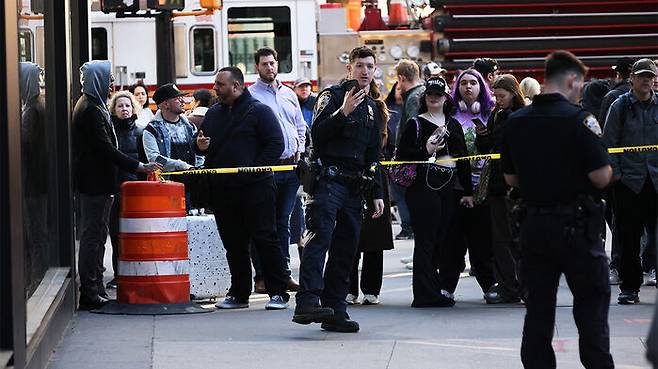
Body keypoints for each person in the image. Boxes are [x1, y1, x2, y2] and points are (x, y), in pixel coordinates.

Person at [501, 50, 614, 369]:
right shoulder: (582, 120)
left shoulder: (517, 122)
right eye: (580, 84)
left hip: (534, 226)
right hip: (578, 227)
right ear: (571, 80)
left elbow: (510, 177)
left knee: (538, 311)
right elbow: (601, 175)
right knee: (591, 309)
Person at [292, 46, 385, 333]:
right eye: (360, 65)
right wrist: (343, 112)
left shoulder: (372, 108)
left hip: (355, 187)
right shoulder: (331, 97)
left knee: (346, 249)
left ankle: (335, 309)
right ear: (350, 68)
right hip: (328, 181)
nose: (365, 71)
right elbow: (317, 135)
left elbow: (373, 156)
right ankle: (307, 301)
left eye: (370, 66)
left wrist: (377, 192)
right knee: (319, 239)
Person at [196, 66, 291, 310]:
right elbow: (201, 145)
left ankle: (278, 291)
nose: (215, 88)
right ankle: (239, 293)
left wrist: (256, 170)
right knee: (234, 244)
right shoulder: (214, 113)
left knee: (265, 239)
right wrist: (200, 146)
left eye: (220, 84)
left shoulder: (260, 111)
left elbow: (275, 144)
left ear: (237, 86)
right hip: (223, 190)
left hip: (256, 188)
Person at [72, 60, 160, 310]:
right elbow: (104, 148)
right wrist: (138, 166)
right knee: (93, 237)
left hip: (99, 183)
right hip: (95, 184)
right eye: (108, 78)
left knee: (99, 236)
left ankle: (96, 286)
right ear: (97, 80)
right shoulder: (90, 108)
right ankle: (90, 291)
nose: (112, 83)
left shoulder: (94, 105)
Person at [397, 77, 473, 307]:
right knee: (426, 240)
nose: (434, 97)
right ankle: (423, 294)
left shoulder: (454, 125)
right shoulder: (415, 123)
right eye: (430, 93)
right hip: (423, 189)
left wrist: (468, 191)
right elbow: (402, 156)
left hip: (447, 189)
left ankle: (435, 288)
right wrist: (427, 149)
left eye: (438, 94)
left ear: (446, 98)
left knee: (441, 240)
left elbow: (463, 161)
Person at [248, 47, 306, 292]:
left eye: (272, 63)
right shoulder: (251, 96)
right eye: (264, 64)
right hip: (267, 168)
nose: (270, 68)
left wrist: (300, 149)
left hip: (291, 166)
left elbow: (300, 125)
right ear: (257, 67)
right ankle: (261, 277)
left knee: (283, 224)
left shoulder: (289, 94)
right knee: (263, 224)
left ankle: (282, 274)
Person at [602, 58, 658, 305]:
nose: (647, 80)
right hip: (629, 182)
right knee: (628, 237)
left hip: (655, 179)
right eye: (642, 75)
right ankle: (630, 287)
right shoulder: (619, 106)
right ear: (631, 79)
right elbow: (608, 144)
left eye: (651, 76)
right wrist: (616, 175)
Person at [444, 68, 496, 299]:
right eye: (463, 83)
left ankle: (489, 285)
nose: (468, 87)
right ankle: (447, 286)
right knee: (454, 241)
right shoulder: (451, 115)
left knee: (482, 242)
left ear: (481, 87)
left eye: (473, 83)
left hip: (485, 188)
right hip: (457, 187)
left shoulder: (491, 114)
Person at [475, 74, 526, 304]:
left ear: (514, 94)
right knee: (501, 238)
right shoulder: (498, 115)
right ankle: (509, 283)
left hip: (512, 183)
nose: (498, 100)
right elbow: (492, 148)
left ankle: (514, 284)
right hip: (498, 183)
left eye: (502, 96)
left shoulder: (518, 118)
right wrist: (483, 136)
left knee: (511, 238)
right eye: (495, 96)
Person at [347, 82, 393, 306]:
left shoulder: (379, 109)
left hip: (375, 172)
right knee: (349, 233)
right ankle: (349, 287)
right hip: (350, 172)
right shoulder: (342, 104)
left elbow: (384, 144)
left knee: (375, 234)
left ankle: (371, 288)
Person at [599, 57, 636, 285]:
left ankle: (618, 267)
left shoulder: (612, 99)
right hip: (633, 172)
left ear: (620, 74)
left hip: (622, 173)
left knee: (621, 223)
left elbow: (605, 136)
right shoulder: (618, 101)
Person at [105, 91, 145, 289]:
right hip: (114, 189)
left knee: (135, 234)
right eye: (120, 106)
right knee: (116, 234)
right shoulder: (110, 134)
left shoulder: (140, 132)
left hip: (135, 191)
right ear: (114, 109)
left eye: (127, 106)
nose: (124, 109)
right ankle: (118, 273)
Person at [143, 83, 202, 208]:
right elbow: (155, 159)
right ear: (165, 104)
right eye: (177, 98)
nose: (182, 101)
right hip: (168, 187)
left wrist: (199, 168)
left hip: (193, 187)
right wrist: (182, 165)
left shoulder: (190, 126)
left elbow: (198, 152)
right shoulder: (152, 129)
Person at [393, 59, 425, 241]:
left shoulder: (413, 98)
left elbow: (414, 128)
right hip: (417, 155)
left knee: (398, 188)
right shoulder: (420, 93)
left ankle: (408, 227)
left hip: (410, 156)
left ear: (402, 78)